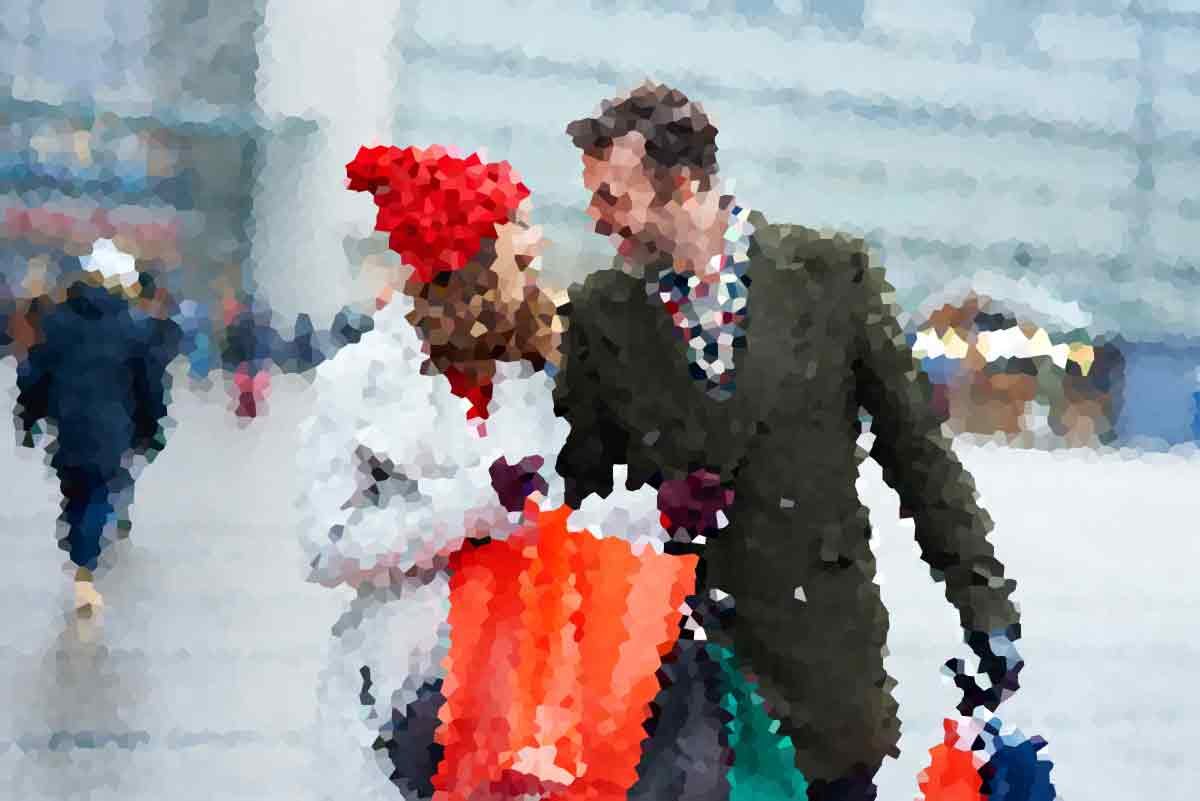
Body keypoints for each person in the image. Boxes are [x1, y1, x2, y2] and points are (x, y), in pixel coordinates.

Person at [555, 82, 1025, 801]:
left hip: (820, 676)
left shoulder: (832, 276)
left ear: (683, 182)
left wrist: (985, 605)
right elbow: (579, 490)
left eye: (612, 197)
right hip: (673, 690)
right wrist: (643, 515)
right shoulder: (599, 312)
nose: (597, 219)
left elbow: (918, 456)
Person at [299, 144, 808, 801]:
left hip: (528, 694)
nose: (535, 256)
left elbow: (561, 523)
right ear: (466, 269)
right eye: (518, 253)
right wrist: (472, 503)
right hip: (404, 699)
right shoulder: (359, 383)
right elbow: (327, 548)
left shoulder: (531, 379)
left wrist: (660, 513)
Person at [13, 239, 181, 615]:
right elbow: (149, 383)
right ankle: (85, 571)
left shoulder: (56, 322)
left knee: (76, 493)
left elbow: (35, 373)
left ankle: (82, 563)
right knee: (99, 492)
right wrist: (152, 426)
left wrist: (27, 417)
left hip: (68, 426)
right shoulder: (132, 328)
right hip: (113, 428)